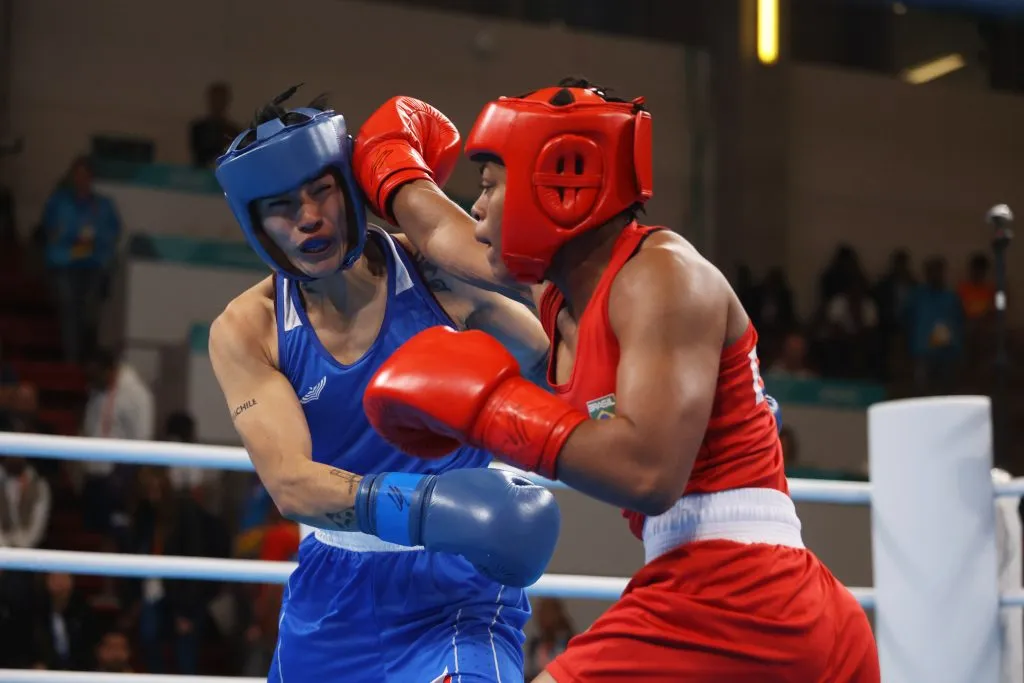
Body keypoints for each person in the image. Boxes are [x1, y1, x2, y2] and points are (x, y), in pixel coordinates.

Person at [353, 78, 880, 682]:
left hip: (742, 593)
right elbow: (445, 237)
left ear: (556, 187)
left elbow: (648, 473)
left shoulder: (663, 277)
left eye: (490, 187)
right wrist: (391, 167)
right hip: (737, 590)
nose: (476, 210)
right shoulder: (563, 294)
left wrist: (492, 408)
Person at [208, 85, 560, 683]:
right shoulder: (250, 328)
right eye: (283, 207)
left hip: (456, 596)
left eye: (320, 191)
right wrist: (434, 508)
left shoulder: (435, 274)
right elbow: (291, 485)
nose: (310, 219)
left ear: (349, 189)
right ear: (257, 225)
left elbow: (543, 349)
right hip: (331, 597)